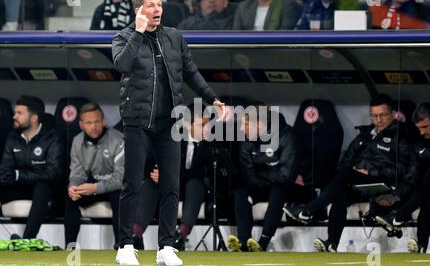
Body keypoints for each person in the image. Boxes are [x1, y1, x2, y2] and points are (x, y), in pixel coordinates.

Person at [112, 0, 226, 266]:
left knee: (171, 185)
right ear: (139, 10)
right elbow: (121, 65)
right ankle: (125, 245)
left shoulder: (174, 37)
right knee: (132, 183)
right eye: (150, 5)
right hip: (138, 120)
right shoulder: (124, 37)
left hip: (170, 122)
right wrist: (139, 33)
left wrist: (213, 98)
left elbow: (191, 73)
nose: (157, 8)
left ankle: (166, 247)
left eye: (159, 4)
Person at [284, 94, 411, 252]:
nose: (378, 120)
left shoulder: (402, 137)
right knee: (341, 192)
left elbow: (402, 170)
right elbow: (346, 160)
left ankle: (309, 209)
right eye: (374, 116)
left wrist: (371, 171)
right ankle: (332, 243)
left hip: (383, 185)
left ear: (392, 114)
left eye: (383, 115)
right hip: (359, 183)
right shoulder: (365, 135)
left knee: (345, 174)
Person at [132, 103, 230, 251]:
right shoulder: (171, 138)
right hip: (168, 186)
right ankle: (136, 234)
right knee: (151, 182)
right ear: (188, 125)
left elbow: (200, 173)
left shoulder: (212, 143)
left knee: (194, 183)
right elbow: (151, 161)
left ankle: (180, 236)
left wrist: (169, 174)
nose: (207, 128)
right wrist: (160, 172)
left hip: (191, 189)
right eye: (201, 124)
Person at [375, 103, 430, 253]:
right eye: (419, 128)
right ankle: (421, 246)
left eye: (425, 127)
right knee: (429, 199)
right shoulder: (417, 141)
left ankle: (399, 216)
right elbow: (412, 175)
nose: (421, 132)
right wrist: (395, 196)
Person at [227, 106, 297, 252]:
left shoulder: (285, 135)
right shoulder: (247, 139)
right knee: (241, 191)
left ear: (258, 125)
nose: (241, 128)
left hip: (284, 187)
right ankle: (244, 242)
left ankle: (263, 242)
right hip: (259, 185)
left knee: (277, 191)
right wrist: (269, 168)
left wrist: (260, 169)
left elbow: (286, 175)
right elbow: (247, 172)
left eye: (245, 124)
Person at [0, 95, 63, 239]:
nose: (14, 116)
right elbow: (5, 172)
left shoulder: (52, 137)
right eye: (15, 113)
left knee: (43, 185)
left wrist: (18, 175)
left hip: (44, 192)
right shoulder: (12, 137)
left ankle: (27, 239)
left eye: (20, 113)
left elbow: (53, 173)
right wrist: (19, 176)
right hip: (18, 188)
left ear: (34, 118)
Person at [64, 103, 124, 249]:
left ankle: (121, 246)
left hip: (111, 188)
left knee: (119, 197)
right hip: (90, 187)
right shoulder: (77, 141)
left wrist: (96, 188)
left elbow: (120, 178)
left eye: (97, 121)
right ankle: (70, 248)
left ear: (104, 121)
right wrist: (73, 186)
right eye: (88, 123)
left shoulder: (118, 139)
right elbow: (77, 173)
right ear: (81, 125)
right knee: (71, 198)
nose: (93, 126)